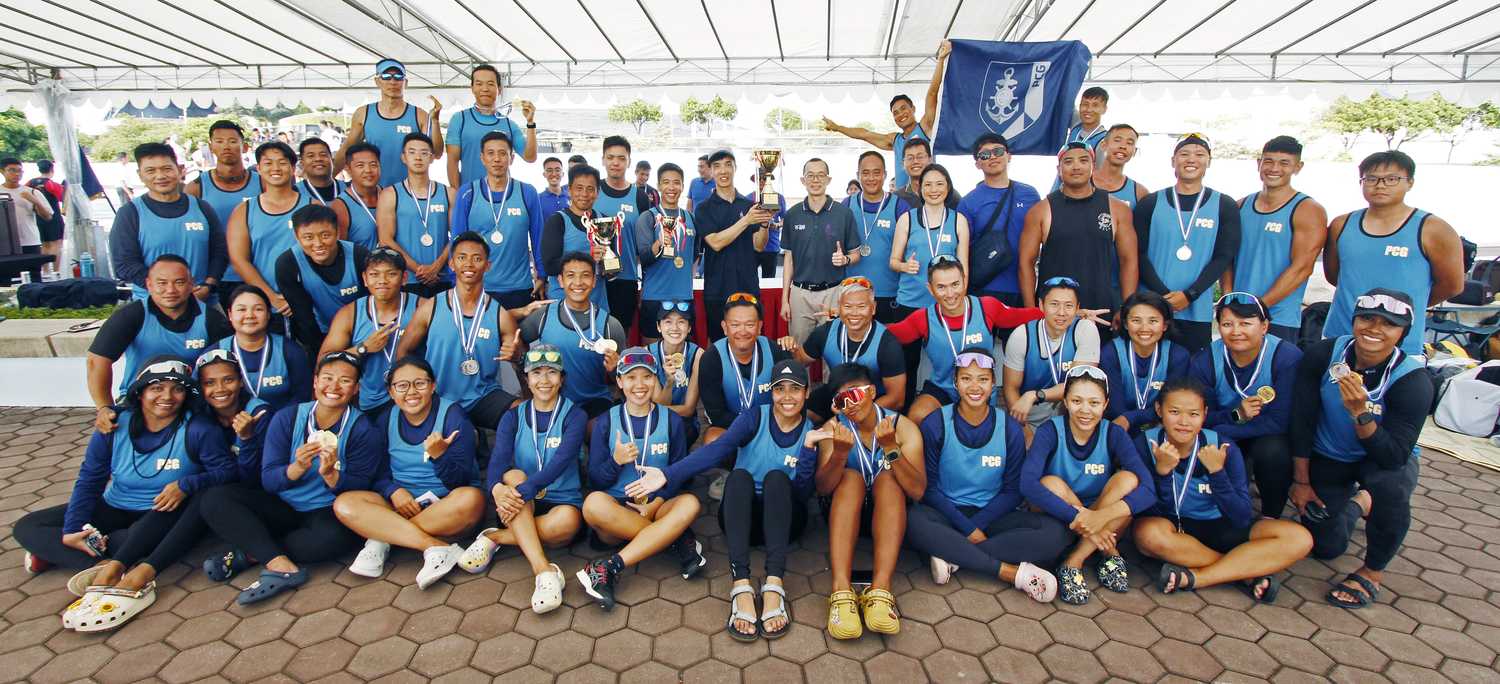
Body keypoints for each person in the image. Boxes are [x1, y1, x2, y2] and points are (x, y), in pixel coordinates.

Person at [15, 359, 233, 633]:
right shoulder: (114, 424)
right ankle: (99, 564)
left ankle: (82, 558)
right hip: (114, 504)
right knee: (28, 527)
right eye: (156, 388)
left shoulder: (199, 428)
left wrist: (188, 483)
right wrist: (72, 527)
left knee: (131, 539)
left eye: (176, 390)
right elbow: (90, 479)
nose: (167, 397)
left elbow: (227, 472)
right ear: (140, 392)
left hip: (161, 513)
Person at [653, 358, 819, 640]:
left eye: (795, 389)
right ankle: (741, 586)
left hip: (783, 522)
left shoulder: (811, 431)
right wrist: (668, 475)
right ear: (772, 392)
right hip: (742, 520)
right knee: (739, 477)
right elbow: (718, 450)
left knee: (777, 479)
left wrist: (808, 452)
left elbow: (802, 495)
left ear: (807, 392)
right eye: (780, 389)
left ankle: (774, 585)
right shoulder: (755, 416)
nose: (788, 397)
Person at [197, 351, 377, 604]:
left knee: (334, 540)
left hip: (325, 510)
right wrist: (297, 467)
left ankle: (251, 553)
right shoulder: (288, 418)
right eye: (327, 378)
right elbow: (269, 480)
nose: (334, 387)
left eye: (345, 381)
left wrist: (331, 474)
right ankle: (280, 564)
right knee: (214, 499)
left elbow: (361, 486)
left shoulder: (364, 429)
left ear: (356, 388)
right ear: (315, 382)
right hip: (282, 506)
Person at [1291, 288, 1432, 609]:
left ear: (1402, 333)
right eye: (1367, 318)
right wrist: (1301, 481)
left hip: (1381, 461)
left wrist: (1360, 412)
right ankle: (1356, 505)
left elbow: (1393, 455)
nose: (1374, 329)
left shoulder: (1413, 381)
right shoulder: (1323, 355)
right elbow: (1301, 419)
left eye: (1389, 324)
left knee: (1391, 489)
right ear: (1354, 320)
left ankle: (1372, 571)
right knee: (1326, 546)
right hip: (1332, 455)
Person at [1134, 376, 1313, 603]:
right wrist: (1163, 473)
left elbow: (1240, 517)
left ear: (1205, 414)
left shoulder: (1223, 446)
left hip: (1221, 526)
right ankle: (1244, 572)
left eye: (1193, 414)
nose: (1184, 422)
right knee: (1146, 535)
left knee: (1299, 538)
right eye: (1174, 412)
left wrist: (1217, 473)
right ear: (1159, 410)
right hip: (1176, 531)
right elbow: (1155, 511)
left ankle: (1199, 577)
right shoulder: (1145, 444)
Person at [909, 348, 1065, 601]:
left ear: (994, 384)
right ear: (955, 383)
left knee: (1056, 533)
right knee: (912, 521)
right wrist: (966, 526)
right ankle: (1010, 573)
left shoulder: (1010, 429)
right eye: (966, 378)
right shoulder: (935, 423)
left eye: (982, 379)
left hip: (992, 515)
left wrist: (975, 526)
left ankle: (954, 556)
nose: (975, 386)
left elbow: (1014, 492)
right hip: (946, 512)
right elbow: (929, 489)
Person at [335, 357, 482, 588]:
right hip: (398, 502)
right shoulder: (385, 419)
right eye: (401, 386)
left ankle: (381, 537)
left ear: (432, 386)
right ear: (391, 392)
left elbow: (461, 480)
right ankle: (435, 547)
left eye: (420, 384)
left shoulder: (453, 415)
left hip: (443, 505)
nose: (411, 392)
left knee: (471, 499)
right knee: (345, 503)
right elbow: (377, 472)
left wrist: (439, 456)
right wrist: (392, 490)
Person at [459, 344, 584, 613]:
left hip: (559, 497)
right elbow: (499, 459)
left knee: (567, 524)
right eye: (536, 372)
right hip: (522, 499)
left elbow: (561, 461)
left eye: (552, 372)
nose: (544, 380)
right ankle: (544, 571)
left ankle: (495, 537)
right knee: (512, 474)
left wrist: (519, 493)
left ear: (562, 379)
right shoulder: (513, 416)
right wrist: (495, 489)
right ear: (526, 379)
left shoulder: (575, 415)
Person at [576, 348, 703, 611]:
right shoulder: (605, 422)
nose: (639, 385)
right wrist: (616, 461)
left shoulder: (672, 421)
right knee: (592, 504)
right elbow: (597, 480)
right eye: (631, 378)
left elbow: (679, 476)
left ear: (656, 380)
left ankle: (607, 568)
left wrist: (655, 505)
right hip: (618, 513)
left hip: (656, 507)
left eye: (647, 377)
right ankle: (675, 540)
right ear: (619, 382)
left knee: (690, 502)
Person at [1021, 366, 1154, 605]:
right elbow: (1028, 484)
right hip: (1061, 515)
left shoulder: (1114, 433)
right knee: (1050, 482)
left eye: (1094, 402)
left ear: (1105, 404)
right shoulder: (1050, 430)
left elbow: (1148, 489)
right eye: (1076, 401)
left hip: (1103, 517)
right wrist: (1083, 517)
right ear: (1065, 401)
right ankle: (1109, 551)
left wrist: (1101, 517)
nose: (1085, 410)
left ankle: (1073, 562)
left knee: (1129, 480)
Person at [814, 364, 925, 639]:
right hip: (843, 513)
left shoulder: (901, 426)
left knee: (888, 479)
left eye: (856, 394)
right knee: (850, 478)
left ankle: (881, 589)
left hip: (890, 517)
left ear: (873, 391)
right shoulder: (834, 428)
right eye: (842, 400)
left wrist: (891, 448)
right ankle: (841, 590)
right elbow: (823, 487)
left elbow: (917, 491)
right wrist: (839, 455)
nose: (851, 404)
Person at [1322, 150, 1465, 357]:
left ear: (1410, 183)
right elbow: (1335, 276)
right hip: (1341, 336)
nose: (1380, 185)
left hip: (1400, 345)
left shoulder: (1433, 229)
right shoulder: (1341, 225)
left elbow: (1452, 285)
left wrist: (1400, 310)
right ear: (1361, 182)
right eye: (1371, 178)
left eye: (1392, 179)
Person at [887, 258, 1043, 424]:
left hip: (979, 388)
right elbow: (887, 335)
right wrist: (860, 320)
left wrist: (1057, 313)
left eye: (955, 284)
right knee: (918, 416)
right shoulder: (923, 318)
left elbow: (1021, 316)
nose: (950, 294)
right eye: (941, 287)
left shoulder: (987, 307)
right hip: (944, 388)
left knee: (978, 427)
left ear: (964, 281)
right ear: (930, 289)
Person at [1189, 293, 1302, 518]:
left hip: (1268, 433)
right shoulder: (1205, 360)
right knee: (1209, 445)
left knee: (1273, 452)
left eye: (1246, 323)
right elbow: (1201, 416)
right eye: (1227, 324)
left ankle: (1270, 514)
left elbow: (1281, 421)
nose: (1236, 331)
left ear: (1264, 326)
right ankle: (1210, 512)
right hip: (1228, 428)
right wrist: (1235, 415)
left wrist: (1224, 427)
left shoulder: (1286, 357)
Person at [395, 232, 520, 430]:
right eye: (462, 258)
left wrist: (516, 356)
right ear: (452, 264)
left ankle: (501, 459)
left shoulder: (500, 314)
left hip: (483, 395)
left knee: (523, 415)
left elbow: (520, 362)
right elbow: (403, 352)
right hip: (439, 397)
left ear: (487, 266)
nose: (469, 264)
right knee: (462, 437)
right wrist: (419, 387)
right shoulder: (431, 307)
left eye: (477, 258)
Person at [87, 256, 232, 424]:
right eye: (162, 283)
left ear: (191, 284)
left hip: (190, 400)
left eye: (179, 282)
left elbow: (227, 368)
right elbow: (96, 361)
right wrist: (104, 408)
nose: (170, 290)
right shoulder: (131, 315)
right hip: (139, 399)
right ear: (149, 284)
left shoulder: (211, 319)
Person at [1134, 134, 1242, 352]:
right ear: (1173, 161)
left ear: (1209, 162)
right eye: (1184, 154)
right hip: (1151, 308)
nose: (1191, 159)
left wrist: (1190, 294)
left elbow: (1223, 257)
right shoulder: (1150, 203)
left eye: (1199, 154)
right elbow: (1138, 254)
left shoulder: (1224, 205)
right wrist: (1164, 297)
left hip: (1196, 309)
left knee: (1191, 375)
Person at [1019, 142, 1138, 318]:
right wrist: (1031, 311)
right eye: (1068, 162)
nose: (1076, 167)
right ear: (1059, 169)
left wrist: (1127, 308)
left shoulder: (1117, 209)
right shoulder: (1041, 211)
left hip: (1100, 307)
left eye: (1083, 160)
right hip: (1054, 311)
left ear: (1093, 166)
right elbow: (1025, 263)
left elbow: (1129, 261)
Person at [1229, 136, 1328, 342]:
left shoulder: (1308, 209)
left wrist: (1260, 306)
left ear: (1297, 167)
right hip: (1237, 314)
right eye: (1269, 161)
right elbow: (1226, 259)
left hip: (1278, 319)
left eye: (1284, 163)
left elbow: (1302, 268)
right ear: (1259, 164)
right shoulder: (1240, 206)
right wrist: (1228, 299)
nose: (1275, 168)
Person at [109, 142, 226, 301]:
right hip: (150, 305)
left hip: (202, 302)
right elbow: (124, 264)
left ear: (179, 170)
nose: (160, 176)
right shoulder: (130, 213)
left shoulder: (202, 208)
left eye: (166, 169)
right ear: (140, 175)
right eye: (151, 170)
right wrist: (169, 291)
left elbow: (220, 253)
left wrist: (209, 285)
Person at [519, 251, 629, 418]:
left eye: (585, 276)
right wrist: (524, 365)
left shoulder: (610, 325)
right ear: (561, 281)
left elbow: (624, 379)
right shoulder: (543, 315)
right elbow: (517, 341)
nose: (578, 282)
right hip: (552, 401)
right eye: (571, 275)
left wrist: (615, 370)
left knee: (600, 436)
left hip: (595, 402)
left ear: (594, 281)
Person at [822, 42, 946, 189]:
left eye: (903, 109)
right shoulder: (895, 140)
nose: (901, 114)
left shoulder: (925, 127)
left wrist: (941, 60)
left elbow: (932, 93)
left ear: (913, 109)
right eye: (895, 113)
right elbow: (864, 134)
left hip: (928, 194)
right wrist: (837, 127)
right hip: (903, 200)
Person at [779, 278, 906, 421]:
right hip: (837, 395)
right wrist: (789, 346)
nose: (854, 313)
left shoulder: (887, 343)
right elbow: (800, 360)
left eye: (861, 306)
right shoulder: (825, 332)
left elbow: (897, 399)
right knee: (799, 415)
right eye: (847, 306)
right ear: (839, 307)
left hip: (872, 400)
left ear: (873, 308)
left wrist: (856, 412)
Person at [450, 132, 545, 308]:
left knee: (516, 335)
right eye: (491, 153)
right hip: (478, 287)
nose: (497, 159)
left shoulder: (527, 192)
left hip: (519, 286)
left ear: (512, 158)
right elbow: (457, 241)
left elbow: (538, 237)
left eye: (503, 153)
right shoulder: (467, 193)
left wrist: (542, 275)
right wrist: (456, 281)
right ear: (482, 158)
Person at [320, 246, 420, 413]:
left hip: (415, 397)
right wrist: (363, 348)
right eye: (374, 274)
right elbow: (324, 362)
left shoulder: (422, 307)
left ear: (404, 278)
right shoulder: (350, 313)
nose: (382, 280)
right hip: (372, 403)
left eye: (391, 274)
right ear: (365, 279)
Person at [780, 158, 862, 343]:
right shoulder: (792, 214)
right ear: (803, 180)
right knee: (799, 353)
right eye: (810, 175)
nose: (815, 180)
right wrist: (785, 299)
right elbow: (788, 259)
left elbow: (856, 254)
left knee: (833, 352)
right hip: (800, 295)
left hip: (833, 292)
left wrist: (845, 260)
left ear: (828, 179)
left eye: (820, 175)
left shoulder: (844, 213)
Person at [696, 149, 776, 339]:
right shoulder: (704, 208)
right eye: (717, 166)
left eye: (727, 165)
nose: (723, 171)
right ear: (711, 171)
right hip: (717, 291)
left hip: (748, 288)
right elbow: (715, 242)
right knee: (719, 346)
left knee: (751, 343)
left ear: (735, 168)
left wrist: (765, 222)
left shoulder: (748, 205)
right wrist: (746, 220)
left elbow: (759, 245)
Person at [1004, 277, 1102, 432]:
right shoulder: (1022, 335)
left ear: (1078, 308)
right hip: (1031, 412)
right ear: (1041, 305)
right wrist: (1024, 430)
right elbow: (1010, 389)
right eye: (1054, 304)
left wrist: (1036, 394)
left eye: (1069, 306)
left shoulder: (1085, 329)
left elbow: (1078, 385)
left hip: (1071, 411)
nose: (1061, 312)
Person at [226, 141, 311, 318]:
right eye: (268, 163)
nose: (276, 168)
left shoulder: (312, 206)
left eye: (282, 162)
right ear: (258, 168)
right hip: (265, 304)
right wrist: (272, 298)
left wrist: (299, 297)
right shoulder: (244, 210)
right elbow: (239, 260)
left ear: (293, 167)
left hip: (308, 300)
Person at [956, 134, 1041, 305]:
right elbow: (961, 250)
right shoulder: (968, 202)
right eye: (985, 155)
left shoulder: (1030, 194)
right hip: (982, 288)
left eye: (998, 151)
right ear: (977, 164)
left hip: (1022, 287)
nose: (992, 157)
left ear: (1009, 156)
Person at [334, 59, 443, 188]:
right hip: (374, 191)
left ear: (405, 83)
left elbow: (436, 153)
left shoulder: (419, 115)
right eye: (386, 77)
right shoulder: (363, 113)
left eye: (398, 77)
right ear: (377, 81)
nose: (393, 82)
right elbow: (346, 151)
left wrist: (435, 122)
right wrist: (328, 178)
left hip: (409, 192)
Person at [275, 204, 368, 351]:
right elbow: (304, 319)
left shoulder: (359, 255)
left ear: (337, 232)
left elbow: (372, 303)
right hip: (321, 334)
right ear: (297, 237)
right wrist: (325, 353)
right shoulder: (288, 264)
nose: (318, 244)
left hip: (362, 331)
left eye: (325, 235)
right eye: (308, 237)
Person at [699, 294, 791, 442]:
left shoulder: (774, 351)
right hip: (731, 427)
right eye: (735, 325)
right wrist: (750, 427)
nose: (742, 331)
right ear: (724, 327)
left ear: (760, 326)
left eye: (749, 324)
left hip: (772, 425)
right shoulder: (711, 358)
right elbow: (717, 414)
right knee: (712, 438)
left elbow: (791, 397)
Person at [186, 121, 260, 297]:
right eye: (219, 141)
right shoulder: (196, 187)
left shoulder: (263, 183)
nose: (226, 146)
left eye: (233, 141)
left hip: (257, 274)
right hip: (214, 278)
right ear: (211, 147)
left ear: (245, 147)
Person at [377, 133, 454, 298]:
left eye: (424, 153)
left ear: (432, 158)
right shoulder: (390, 194)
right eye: (412, 152)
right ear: (403, 157)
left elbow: (457, 234)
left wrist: (436, 267)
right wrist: (420, 270)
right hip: (407, 279)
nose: (418, 157)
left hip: (441, 277)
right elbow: (385, 239)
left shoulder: (448, 193)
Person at [1100, 291, 1190, 433]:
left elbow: (1171, 406)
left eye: (1153, 321)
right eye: (1136, 320)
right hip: (1120, 428)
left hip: (1162, 427)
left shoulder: (1178, 356)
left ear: (1165, 325)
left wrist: (1130, 418)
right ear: (1125, 324)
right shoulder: (1110, 353)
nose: (1144, 328)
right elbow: (1116, 409)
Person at [216, 285, 313, 412]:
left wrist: (276, 423)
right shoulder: (216, 353)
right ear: (230, 314)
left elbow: (302, 396)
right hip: (231, 425)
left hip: (282, 424)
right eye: (241, 310)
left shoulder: (290, 351)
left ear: (268, 313)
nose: (249, 315)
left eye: (258, 309)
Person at [890, 164, 969, 312]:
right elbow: (893, 262)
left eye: (939, 184)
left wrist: (959, 301)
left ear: (948, 187)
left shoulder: (959, 221)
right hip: (910, 301)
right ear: (920, 188)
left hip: (947, 302)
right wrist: (904, 266)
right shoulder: (906, 219)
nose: (934, 190)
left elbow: (963, 267)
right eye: (928, 185)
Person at [843, 151, 910, 323]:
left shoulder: (900, 206)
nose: (871, 178)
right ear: (858, 175)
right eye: (865, 173)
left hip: (890, 293)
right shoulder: (847, 205)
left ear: (885, 174)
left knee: (888, 345)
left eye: (876, 172)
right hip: (854, 294)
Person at [446, 64, 538, 188]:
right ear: (472, 88)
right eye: (479, 84)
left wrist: (530, 123)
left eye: (490, 84)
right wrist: (458, 196)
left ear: (499, 89)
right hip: (470, 196)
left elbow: (530, 157)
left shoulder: (509, 124)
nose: (485, 89)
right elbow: (452, 161)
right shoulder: (459, 119)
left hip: (502, 197)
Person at [634, 163, 695, 342]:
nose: (671, 187)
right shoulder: (648, 217)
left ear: (683, 186)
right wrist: (658, 244)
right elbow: (643, 258)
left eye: (676, 183)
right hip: (655, 297)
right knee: (653, 354)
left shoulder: (690, 217)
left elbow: (695, 254)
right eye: (666, 182)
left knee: (679, 358)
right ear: (659, 185)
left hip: (684, 297)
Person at [595, 136, 651, 332]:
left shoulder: (640, 197)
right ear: (603, 159)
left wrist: (646, 283)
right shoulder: (591, 190)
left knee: (619, 336)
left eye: (621, 158)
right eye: (610, 157)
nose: (615, 163)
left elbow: (645, 246)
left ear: (629, 161)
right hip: (592, 278)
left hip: (625, 279)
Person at [541, 164, 611, 312]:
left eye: (590, 189)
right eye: (579, 188)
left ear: (597, 192)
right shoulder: (557, 221)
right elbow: (550, 266)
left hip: (597, 303)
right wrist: (589, 258)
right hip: (564, 303)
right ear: (569, 190)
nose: (584, 194)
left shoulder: (604, 221)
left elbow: (612, 266)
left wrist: (610, 265)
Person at [649, 302, 704, 446]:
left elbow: (688, 409)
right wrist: (669, 383)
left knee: (681, 430)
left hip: (684, 422)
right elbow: (660, 405)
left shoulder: (698, 355)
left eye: (681, 322)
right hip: (653, 421)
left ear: (689, 327)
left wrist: (647, 410)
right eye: (668, 322)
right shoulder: (648, 355)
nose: (675, 328)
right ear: (658, 327)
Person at [330, 142, 383, 249]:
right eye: (360, 165)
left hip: (394, 264)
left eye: (373, 165)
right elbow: (340, 250)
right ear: (348, 169)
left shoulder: (390, 196)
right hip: (361, 265)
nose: (368, 170)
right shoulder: (340, 206)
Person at [0, 157, 49, 258]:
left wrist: (35, 202)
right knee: (7, 273)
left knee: (34, 272)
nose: (17, 174)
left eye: (20, 171)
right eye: (12, 170)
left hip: (30, 241)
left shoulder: (32, 192)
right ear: (2, 171)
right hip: (4, 243)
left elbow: (48, 217)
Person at [890, 138, 959, 210]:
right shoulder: (895, 198)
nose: (915, 161)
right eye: (910, 158)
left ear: (930, 159)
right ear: (903, 163)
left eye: (920, 157)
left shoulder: (947, 194)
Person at [1093, 124, 1148, 209]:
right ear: (1103, 145)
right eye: (1117, 140)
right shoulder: (1083, 182)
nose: (1123, 146)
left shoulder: (1140, 193)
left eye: (1129, 143)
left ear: (1134, 151)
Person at [28, 159, 65, 272]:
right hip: (54, 218)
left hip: (38, 218)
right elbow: (62, 197)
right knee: (56, 244)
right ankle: (56, 271)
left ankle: (45, 271)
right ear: (52, 169)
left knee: (44, 245)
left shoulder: (30, 183)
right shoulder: (52, 184)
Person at [297, 137, 344, 205]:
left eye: (323, 155)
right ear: (302, 163)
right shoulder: (294, 192)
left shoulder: (349, 189)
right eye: (311, 156)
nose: (318, 159)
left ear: (332, 160)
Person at [1063, 87, 1110, 153]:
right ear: (1079, 106)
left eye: (1095, 105)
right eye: (1085, 104)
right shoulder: (1076, 123)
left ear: (1104, 109)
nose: (1088, 109)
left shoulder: (1103, 140)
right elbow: (1065, 97)